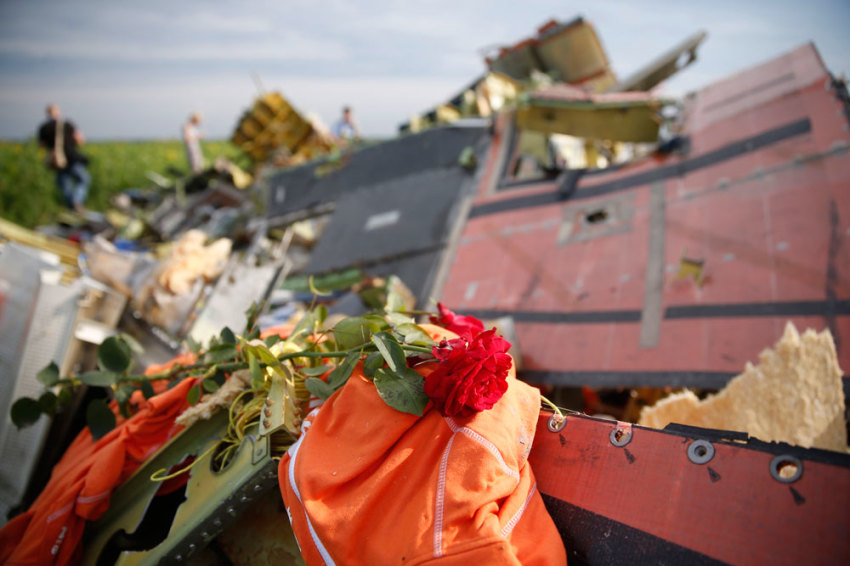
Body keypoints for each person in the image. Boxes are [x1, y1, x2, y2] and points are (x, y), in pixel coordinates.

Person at [37, 104, 90, 213]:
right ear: (58, 112)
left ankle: (71, 208)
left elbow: (41, 145)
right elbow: (80, 140)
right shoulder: (67, 124)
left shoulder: (44, 128)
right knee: (83, 180)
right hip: (71, 157)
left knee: (64, 185)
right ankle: (76, 201)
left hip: (58, 161)